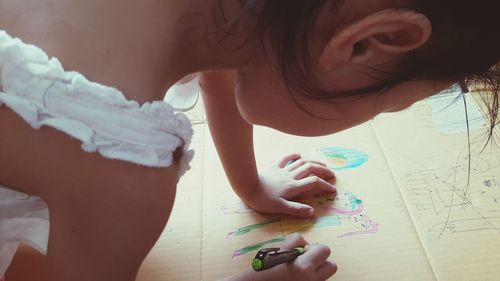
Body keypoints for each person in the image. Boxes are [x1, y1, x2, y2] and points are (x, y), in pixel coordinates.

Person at [0, 0, 498, 280]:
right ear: (364, 44)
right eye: (391, 105)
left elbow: (221, 71)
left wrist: (250, 184)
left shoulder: (211, 16)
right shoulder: (121, 164)